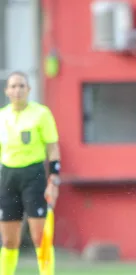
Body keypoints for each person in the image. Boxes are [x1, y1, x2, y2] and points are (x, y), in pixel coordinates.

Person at [0, 71, 61, 275]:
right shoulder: (2, 116)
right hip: (8, 177)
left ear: (29, 89)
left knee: (40, 237)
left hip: (33, 176)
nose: (17, 90)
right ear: (7, 90)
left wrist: (54, 179)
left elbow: (52, 147)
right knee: (9, 240)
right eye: (13, 86)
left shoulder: (41, 113)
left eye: (21, 86)